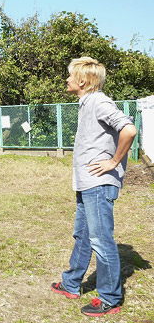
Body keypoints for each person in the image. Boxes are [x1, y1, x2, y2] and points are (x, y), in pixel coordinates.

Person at [51, 57, 137, 317]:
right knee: (83, 235)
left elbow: (129, 130)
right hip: (88, 183)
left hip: (99, 185)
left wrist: (113, 162)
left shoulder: (99, 101)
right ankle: (71, 283)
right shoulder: (86, 103)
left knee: (101, 240)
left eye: (69, 75)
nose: (66, 80)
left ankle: (110, 298)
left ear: (82, 80)